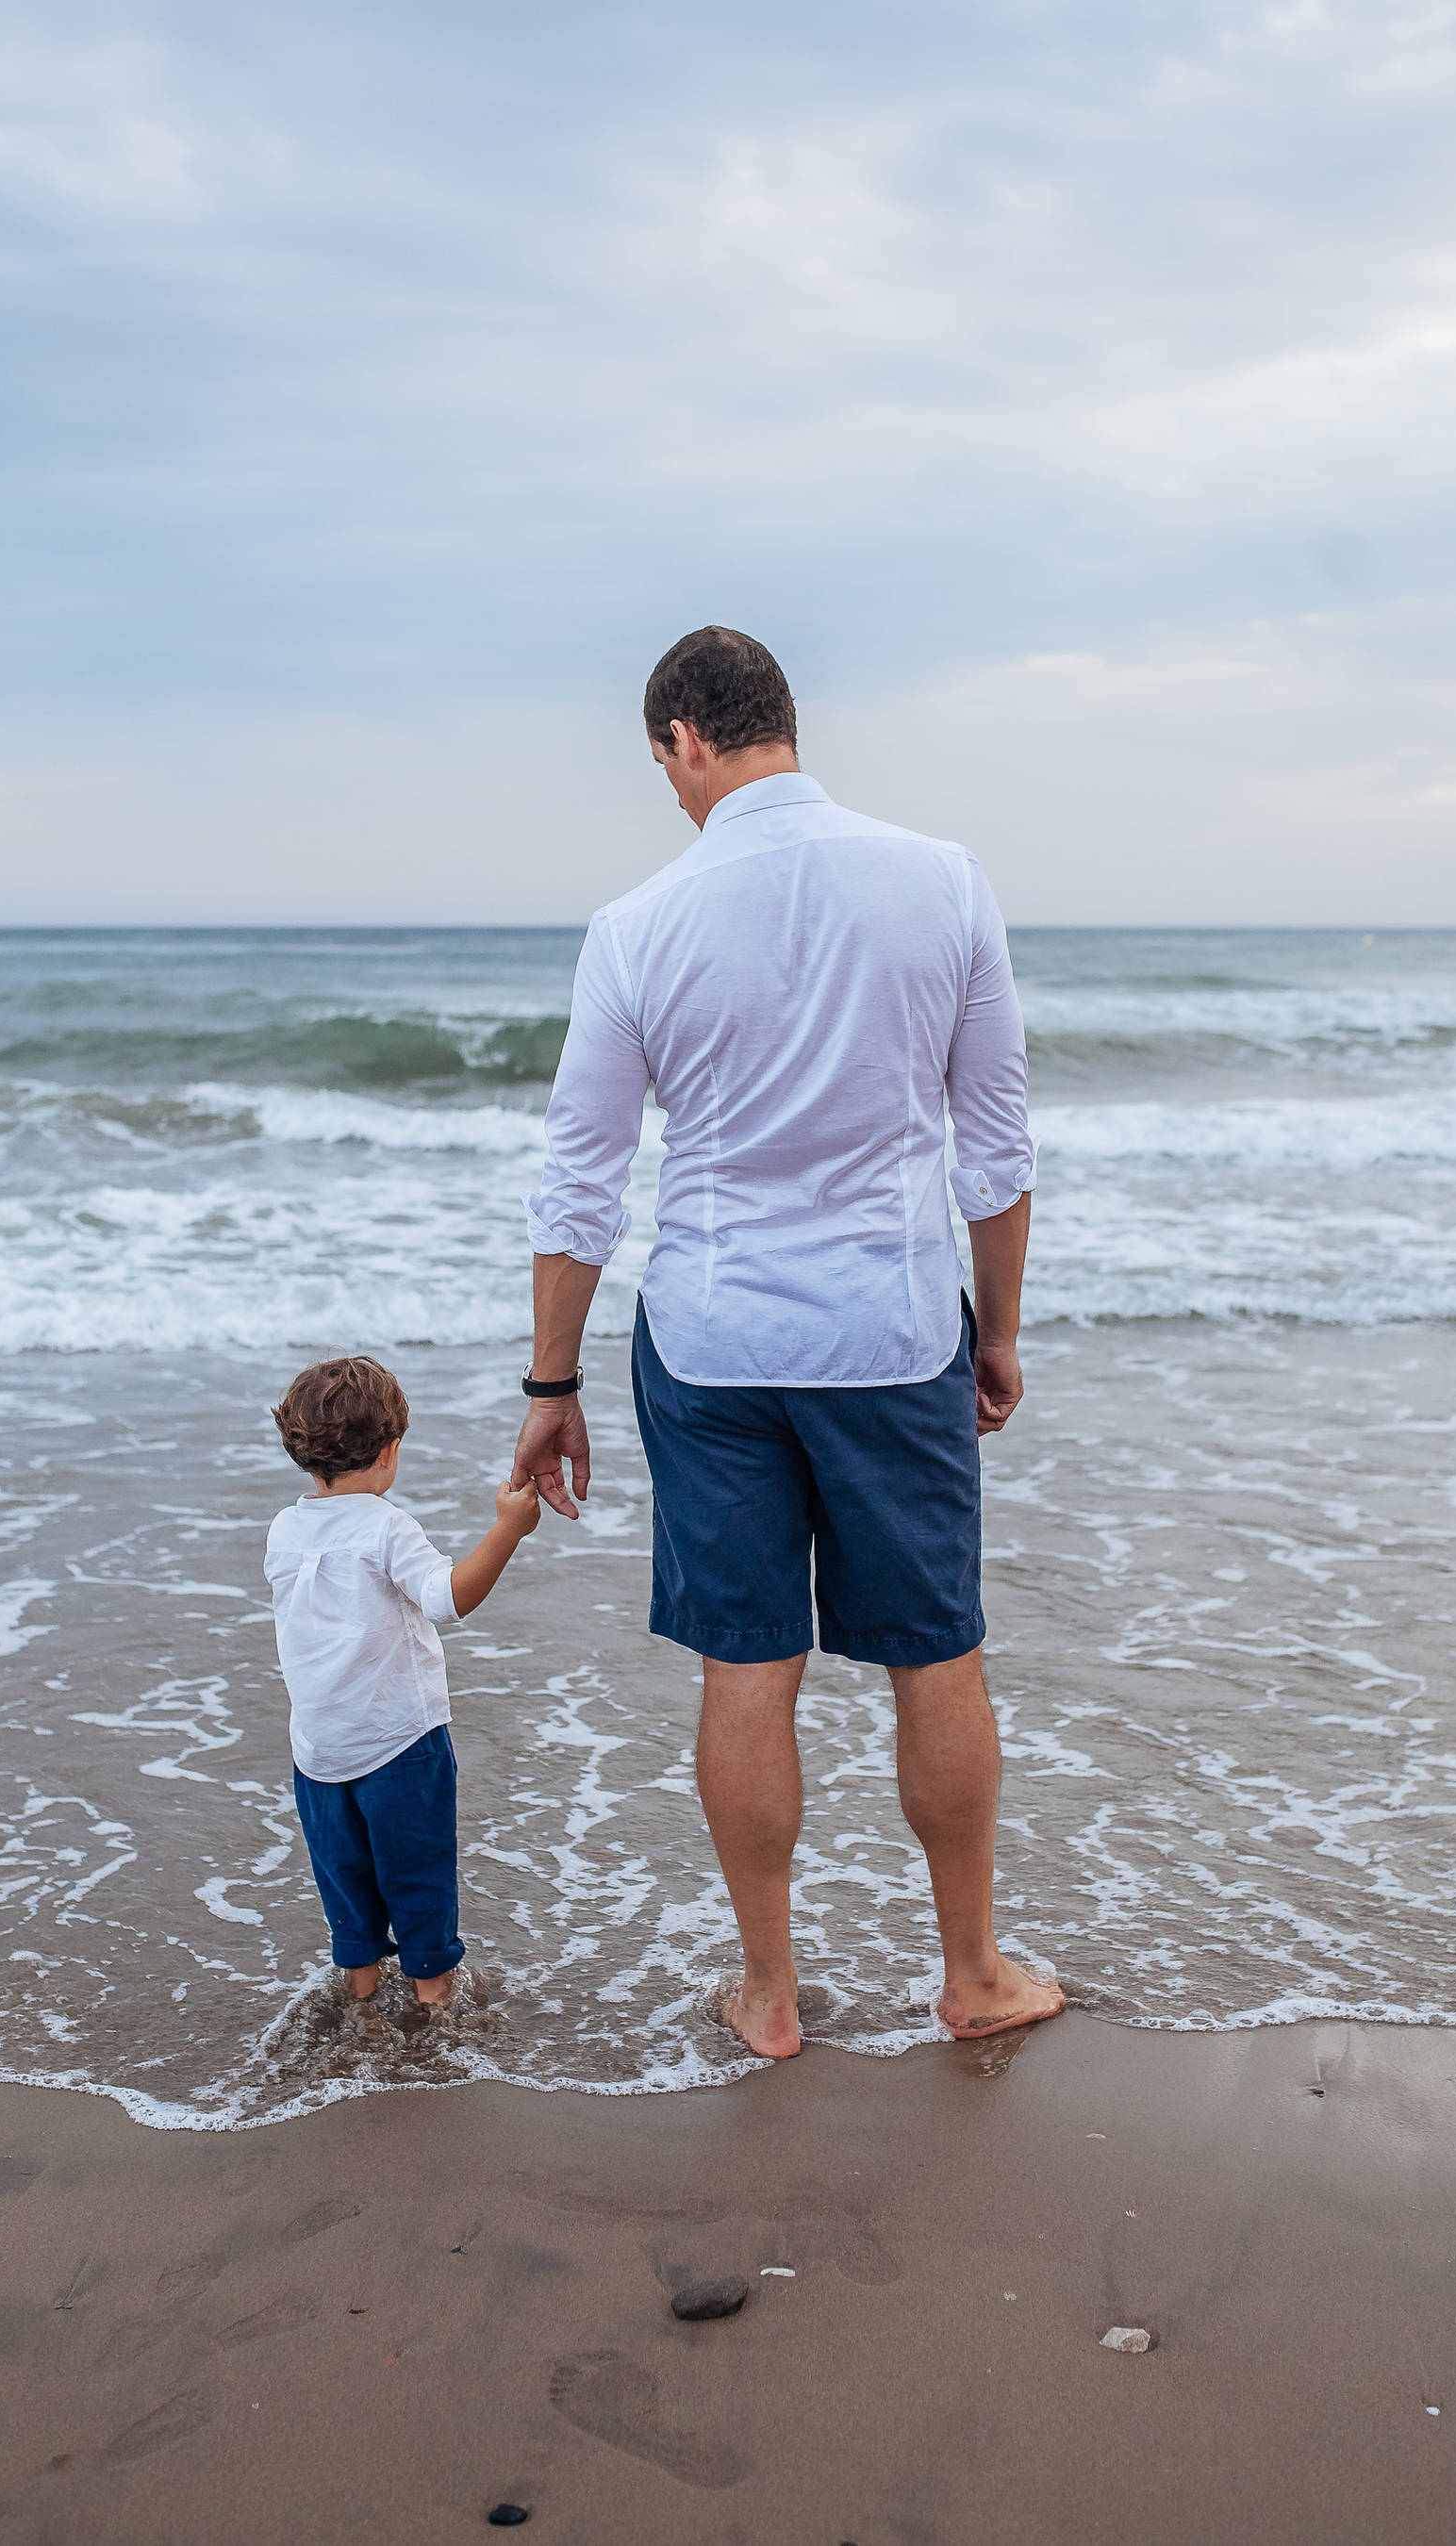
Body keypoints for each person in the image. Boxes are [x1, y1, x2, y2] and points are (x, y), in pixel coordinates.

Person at [512, 625, 1064, 2059]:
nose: (673, 795)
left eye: (665, 770)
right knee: (934, 1655)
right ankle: (973, 1976)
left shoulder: (639, 925)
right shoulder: (942, 882)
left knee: (746, 1668)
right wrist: (994, 1335)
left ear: (685, 743)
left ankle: (767, 1994)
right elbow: (995, 1154)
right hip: (892, 1332)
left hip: (709, 1343)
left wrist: (551, 1384)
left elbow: (580, 1181)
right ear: (781, 724)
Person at [267, 1355, 539, 2009]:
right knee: (418, 1882)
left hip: (318, 1751)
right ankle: (433, 2004)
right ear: (389, 1450)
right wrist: (508, 1529)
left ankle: (360, 2001)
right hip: (398, 1743)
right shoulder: (386, 1526)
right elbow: (448, 1599)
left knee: (347, 1887)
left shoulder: (284, 1529)